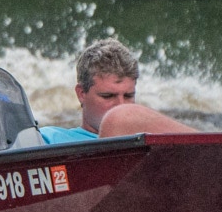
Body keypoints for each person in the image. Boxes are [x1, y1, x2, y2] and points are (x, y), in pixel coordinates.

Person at [41, 38, 195, 142]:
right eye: (108, 96)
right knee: (117, 119)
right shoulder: (49, 138)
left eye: (128, 96)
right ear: (81, 94)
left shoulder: (153, 138)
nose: (121, 105)